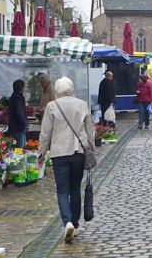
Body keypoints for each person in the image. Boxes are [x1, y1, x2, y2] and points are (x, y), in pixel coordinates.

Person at [38, 77, 95, 243]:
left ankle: (67, 222)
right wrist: (91, 149)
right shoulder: (82, 104)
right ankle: (75, 225)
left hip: (59, 153)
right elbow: (89, 130)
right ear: (71, 88)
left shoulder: (52, 106)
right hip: (78, 152)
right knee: (75, 188)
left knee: (62, 190)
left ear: (57, 90)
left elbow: (46, 132)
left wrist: (41, 153)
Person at [8, 79, 29, 148]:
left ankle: (15, 157)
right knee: (20, 147)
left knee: (14, 146)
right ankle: (18, 157)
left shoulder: (13, 96)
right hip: (18, 127)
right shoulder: (18, 98)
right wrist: (25, 123)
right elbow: (20, 113)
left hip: (13, 126)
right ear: (21, 87)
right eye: (24, 87)